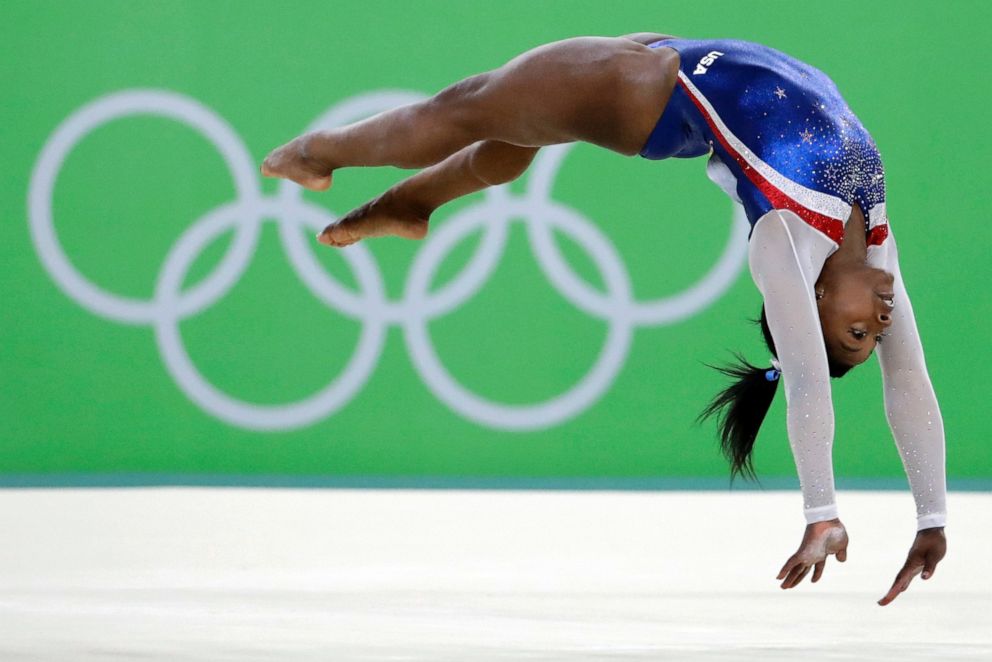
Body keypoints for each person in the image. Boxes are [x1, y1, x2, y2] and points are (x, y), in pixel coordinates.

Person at [261, 34, 946, 605]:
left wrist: (819, 511)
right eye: (872, 337)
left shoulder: (784, 242)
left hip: (649, 89)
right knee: (513, 131)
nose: (882, 322)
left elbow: (805, 382)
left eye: (859, 333)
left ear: (816, 298)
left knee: (465, 105)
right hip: (681, 77)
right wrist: (932, 517)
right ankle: (413, 203)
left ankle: (320, 152)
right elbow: (909, 379)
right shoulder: (877, 243)